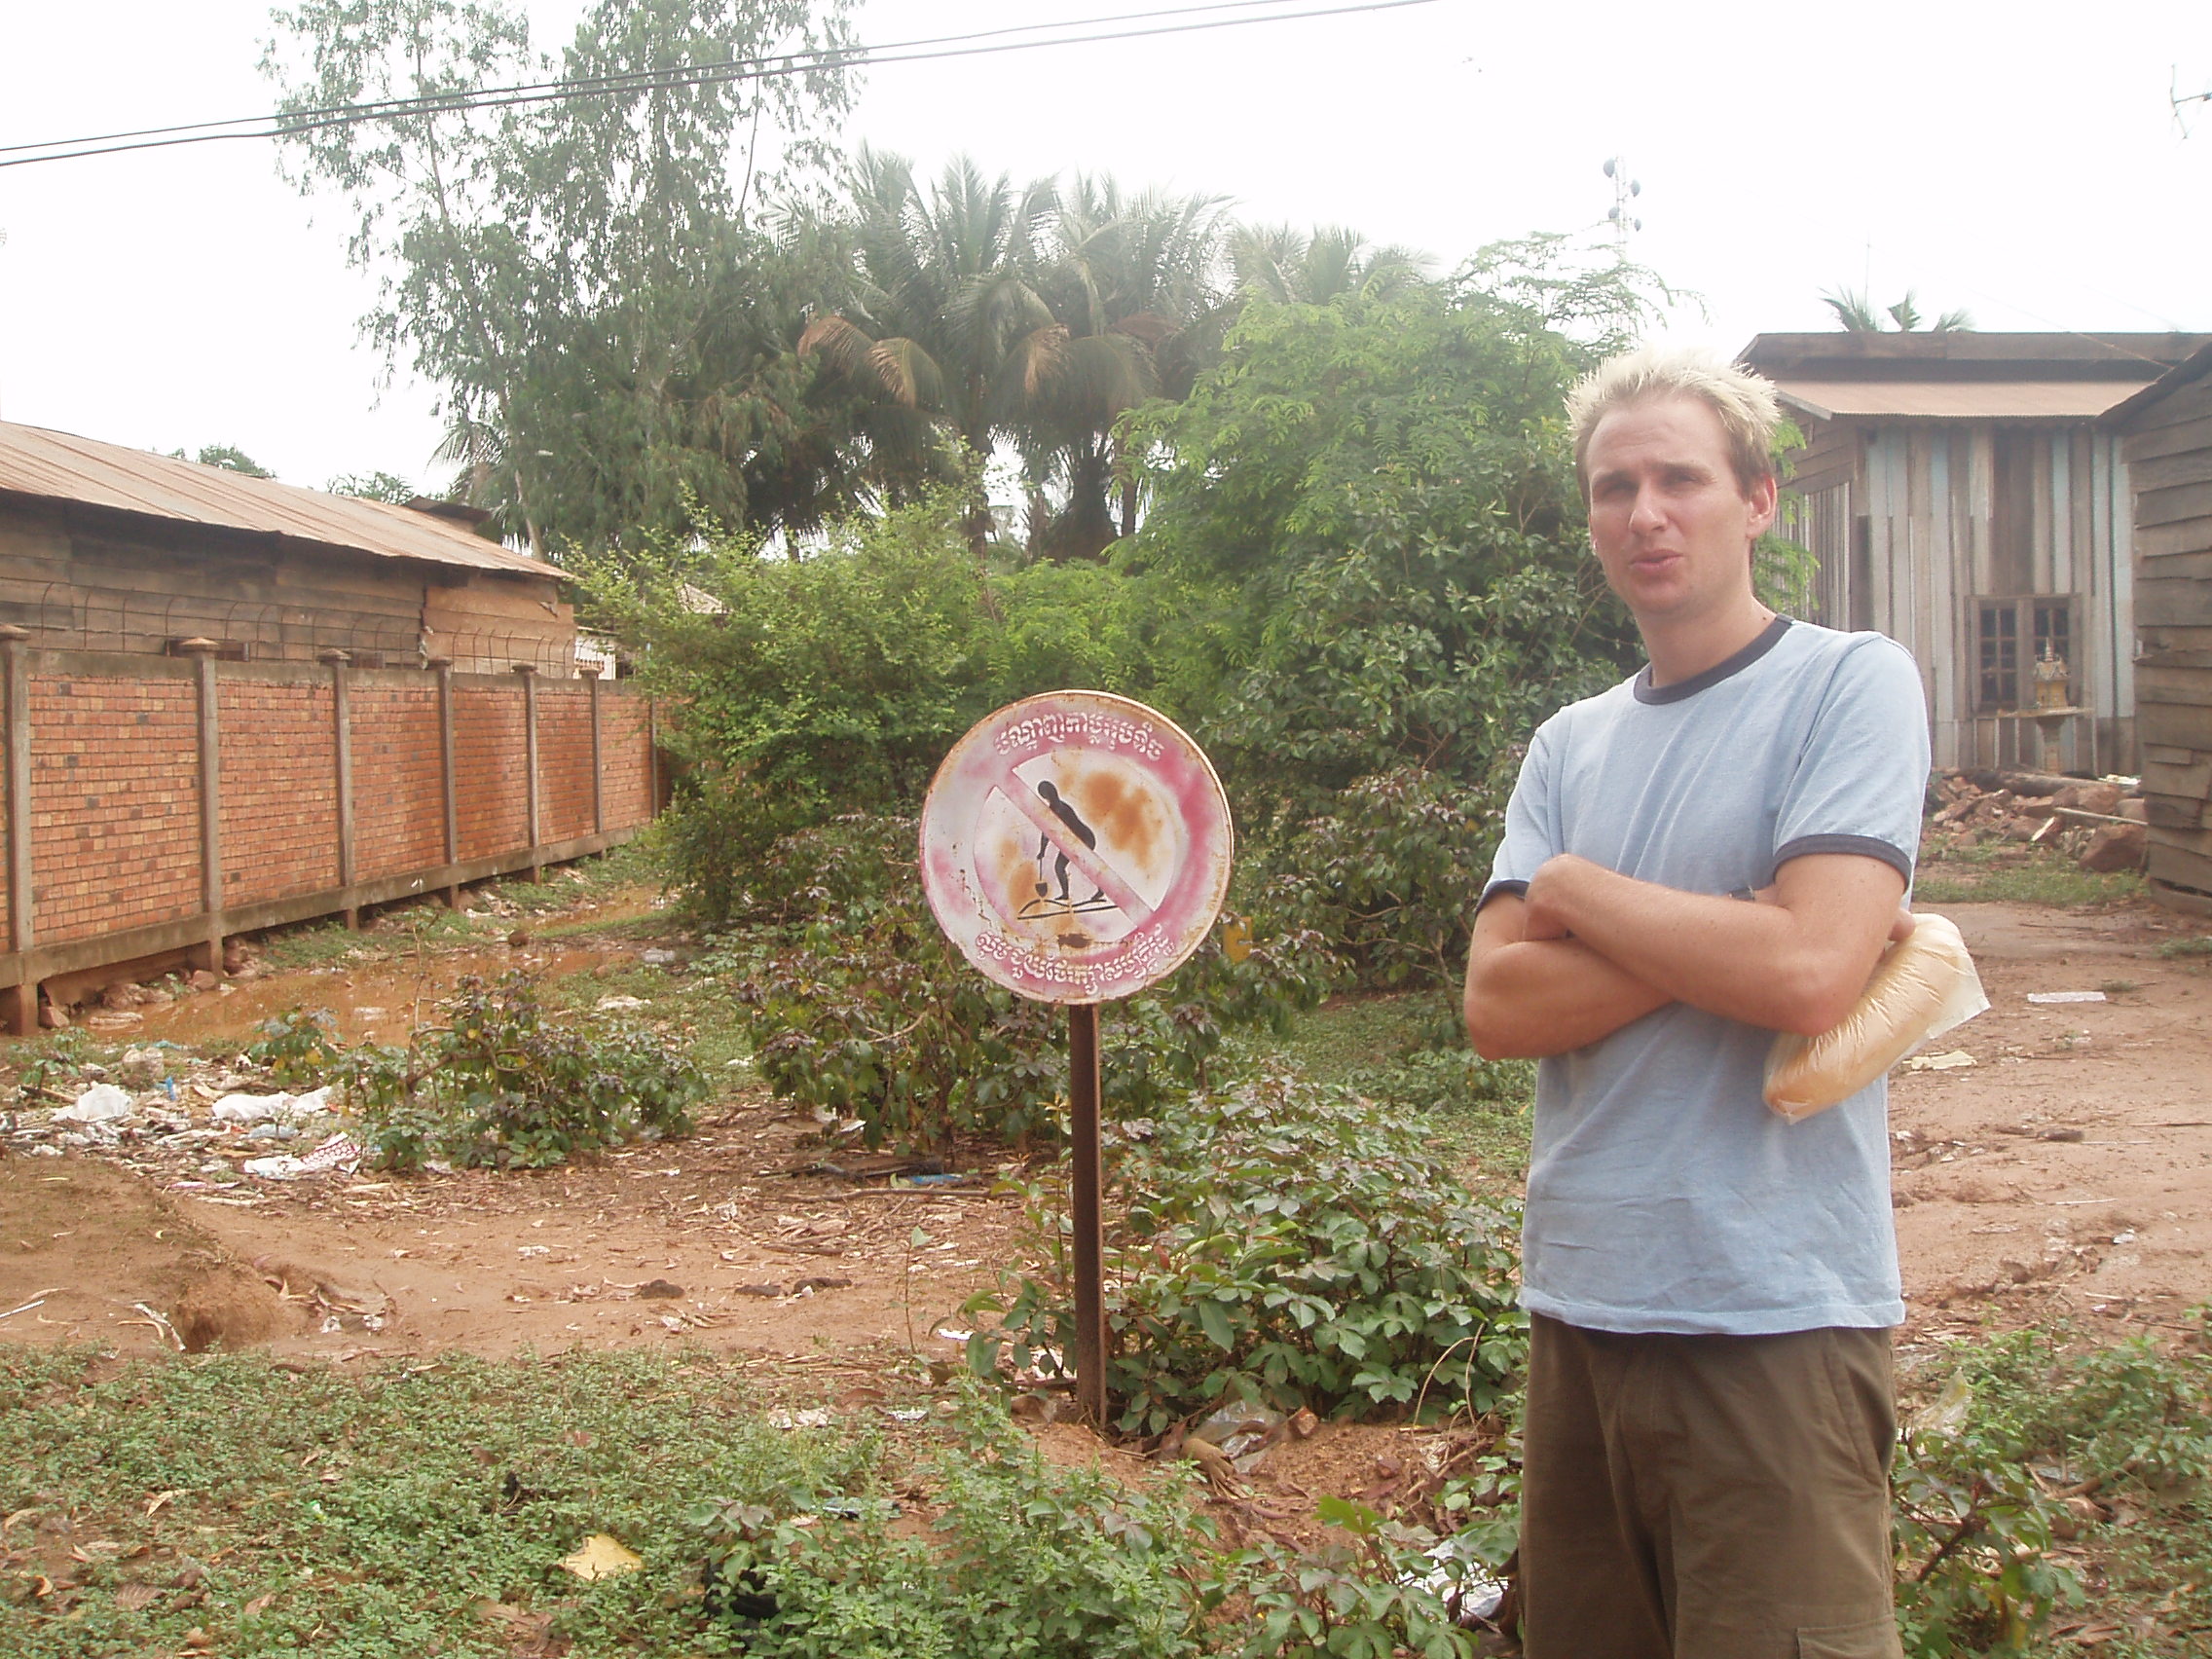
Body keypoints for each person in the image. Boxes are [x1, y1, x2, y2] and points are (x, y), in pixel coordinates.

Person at [1462, 346, 1929, 1659]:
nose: (1646, 514)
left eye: (1679, 479)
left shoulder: (1850, 684)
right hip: (1583, 1311)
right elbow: (1497, 1003)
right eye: (1615, 487)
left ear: (1759, 500)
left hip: (1773, 1316)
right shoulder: (1571, 742)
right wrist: (1745, 924)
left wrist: (1572, 885)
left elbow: (1806, 976)